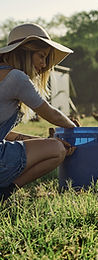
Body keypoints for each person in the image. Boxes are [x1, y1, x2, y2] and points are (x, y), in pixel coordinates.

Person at [0, 23, 79, 200]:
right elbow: (50, 113)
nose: (44, 65)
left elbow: (4, 134)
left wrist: (40, 141)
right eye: (41, 56)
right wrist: (73, 126)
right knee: (57, 149)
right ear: (25, 52)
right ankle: (5, 192)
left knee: (50, 144)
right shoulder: (16, 77)